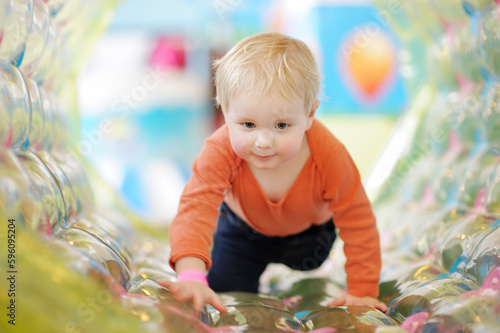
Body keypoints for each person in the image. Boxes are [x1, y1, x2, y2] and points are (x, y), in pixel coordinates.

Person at [164, 32, 386, 314]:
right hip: (242, 234)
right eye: (248, 124)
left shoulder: (328, 154)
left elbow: (357, 218)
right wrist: (192, 276)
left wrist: (362, 291)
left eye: (281, 126)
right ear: (224, 110)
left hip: (310, 241)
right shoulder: (219, 150)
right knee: (225, 291)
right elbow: (196, 207)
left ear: (309, 115)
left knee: (310, 259)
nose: (263, 141)